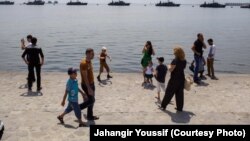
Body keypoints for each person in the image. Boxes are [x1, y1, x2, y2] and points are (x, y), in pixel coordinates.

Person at [160, 47, 187, 112]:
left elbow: (170, 70)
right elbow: (182, 68)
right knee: (180, 94)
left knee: (169, 93)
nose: (173, 53)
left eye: (174, 52)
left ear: (176, 53)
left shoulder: (175, 60)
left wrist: (169, 66)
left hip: (174, 79)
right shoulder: (184, 60)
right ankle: (179, 108)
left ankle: (163, 106)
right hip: (181, 79)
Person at [79, 48, 99, 120]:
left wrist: (92, 84)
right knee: (91, 100)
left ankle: (89, 116)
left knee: (91, 100)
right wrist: (89, 88)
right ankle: (77, 108)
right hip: (86, 85)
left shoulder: (89, 61)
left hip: (91, 83)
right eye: (92, 54)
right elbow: (85, 77)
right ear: (87, 54)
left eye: (93, 54)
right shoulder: (83, 63)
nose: (93, 55)